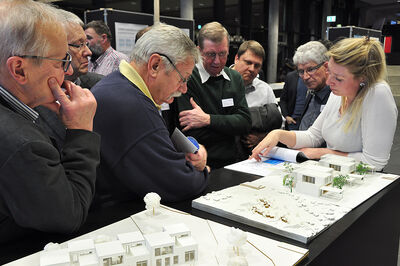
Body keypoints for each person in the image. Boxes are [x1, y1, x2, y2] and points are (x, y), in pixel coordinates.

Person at [0, 0, 100, 243]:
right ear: (19, 70)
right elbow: (68, 216)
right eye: (59, 62)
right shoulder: (21, 143)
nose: (66, 72)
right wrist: (81, 130)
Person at [91, 23, 209, 205]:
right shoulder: (133, 107)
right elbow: (179, 184)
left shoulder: (116, 85)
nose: (184, 89)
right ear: (155, 65)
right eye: (182, 79)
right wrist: (203, 170)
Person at [251, 37, 398, 171]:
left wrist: (322, 153)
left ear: (363, 78)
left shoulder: (377, 94)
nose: (328, 82)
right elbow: (313, 136)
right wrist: (278, 134)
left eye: (339, 78)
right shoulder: (339, 94)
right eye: (330, 73)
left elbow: (374, 163)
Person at [175, 22, 251, 169]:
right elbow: (192, 131)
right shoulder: (188, 78)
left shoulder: (235, 78)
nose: (217, 61)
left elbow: (245, 123)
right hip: (199, 165)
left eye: (222, 54)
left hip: (233, 162)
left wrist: (208, 120)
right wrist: (230, 127)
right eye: (211, 54)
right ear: (199, 51)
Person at [35, 9, 103, 150]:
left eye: (86, 43)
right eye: (78, 45)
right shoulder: (29, 99)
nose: (88, 52)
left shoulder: (100, 86)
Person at [231, 40, 282, 155]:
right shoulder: (219, 83)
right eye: (248, 62)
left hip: (253, 156)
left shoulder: (265, 90)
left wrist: (262, 137)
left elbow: (280, 125)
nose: (252, 69)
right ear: (236, 58)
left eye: (257, 65)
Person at [292, 41, 332, 131]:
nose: (305, 77)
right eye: (301, 72)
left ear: (326, 67)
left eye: (310, 69)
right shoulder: (311, 93)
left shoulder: (336, 97)